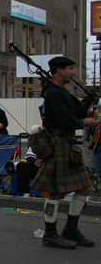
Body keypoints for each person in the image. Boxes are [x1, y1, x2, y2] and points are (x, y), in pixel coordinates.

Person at [31, 56, 96, 249]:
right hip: (58, 144)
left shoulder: (62, 92)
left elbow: (75, 114)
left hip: (68, 145)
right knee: (55, 193)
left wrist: (88, 105)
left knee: (85, 187)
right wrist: (84, 122)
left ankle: (70, 229)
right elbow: (66, 121)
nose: (73, 72)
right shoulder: (54, 93)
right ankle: (50, 233)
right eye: (70, 68)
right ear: (60, 71)